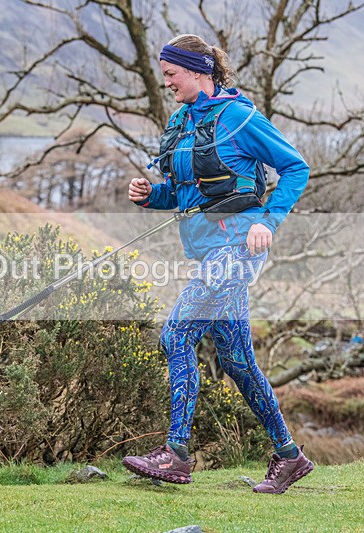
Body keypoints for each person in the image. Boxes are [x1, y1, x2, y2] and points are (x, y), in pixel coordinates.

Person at [121, 34, 312, 494]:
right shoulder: (182, 120)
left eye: (171, 74)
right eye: (163, 75)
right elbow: (187, 194)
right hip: (207, 251)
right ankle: (290, 456)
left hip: (239, 250)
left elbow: (296, 167)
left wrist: (268, 219)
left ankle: (176, 453)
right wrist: (153, 196)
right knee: (237, 360)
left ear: (197, 71)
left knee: (176, 332)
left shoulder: (241, 117)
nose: (165, 82)